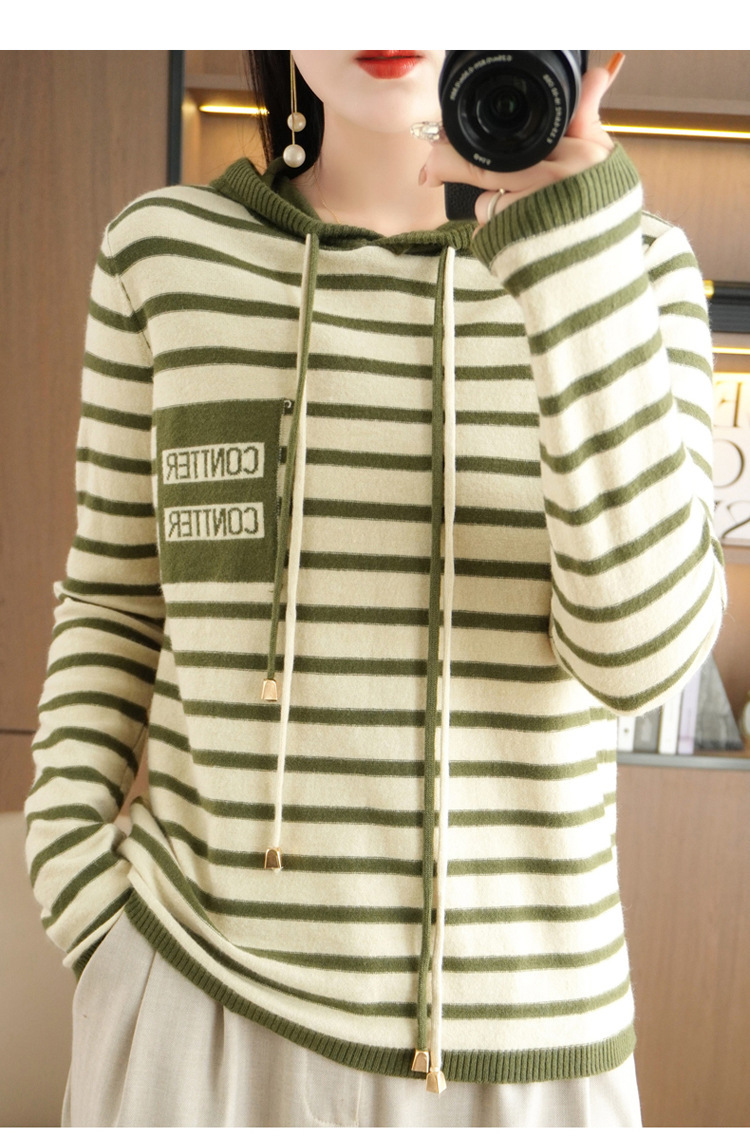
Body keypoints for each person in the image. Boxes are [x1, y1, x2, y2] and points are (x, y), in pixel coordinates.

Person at [25, 50, 725, 1127]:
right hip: (195, 1010)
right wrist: (82, 895)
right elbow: (116, 604)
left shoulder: (630, 264)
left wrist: (572, 262)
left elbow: (641, 660)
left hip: (528, 1057)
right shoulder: (161, 252)